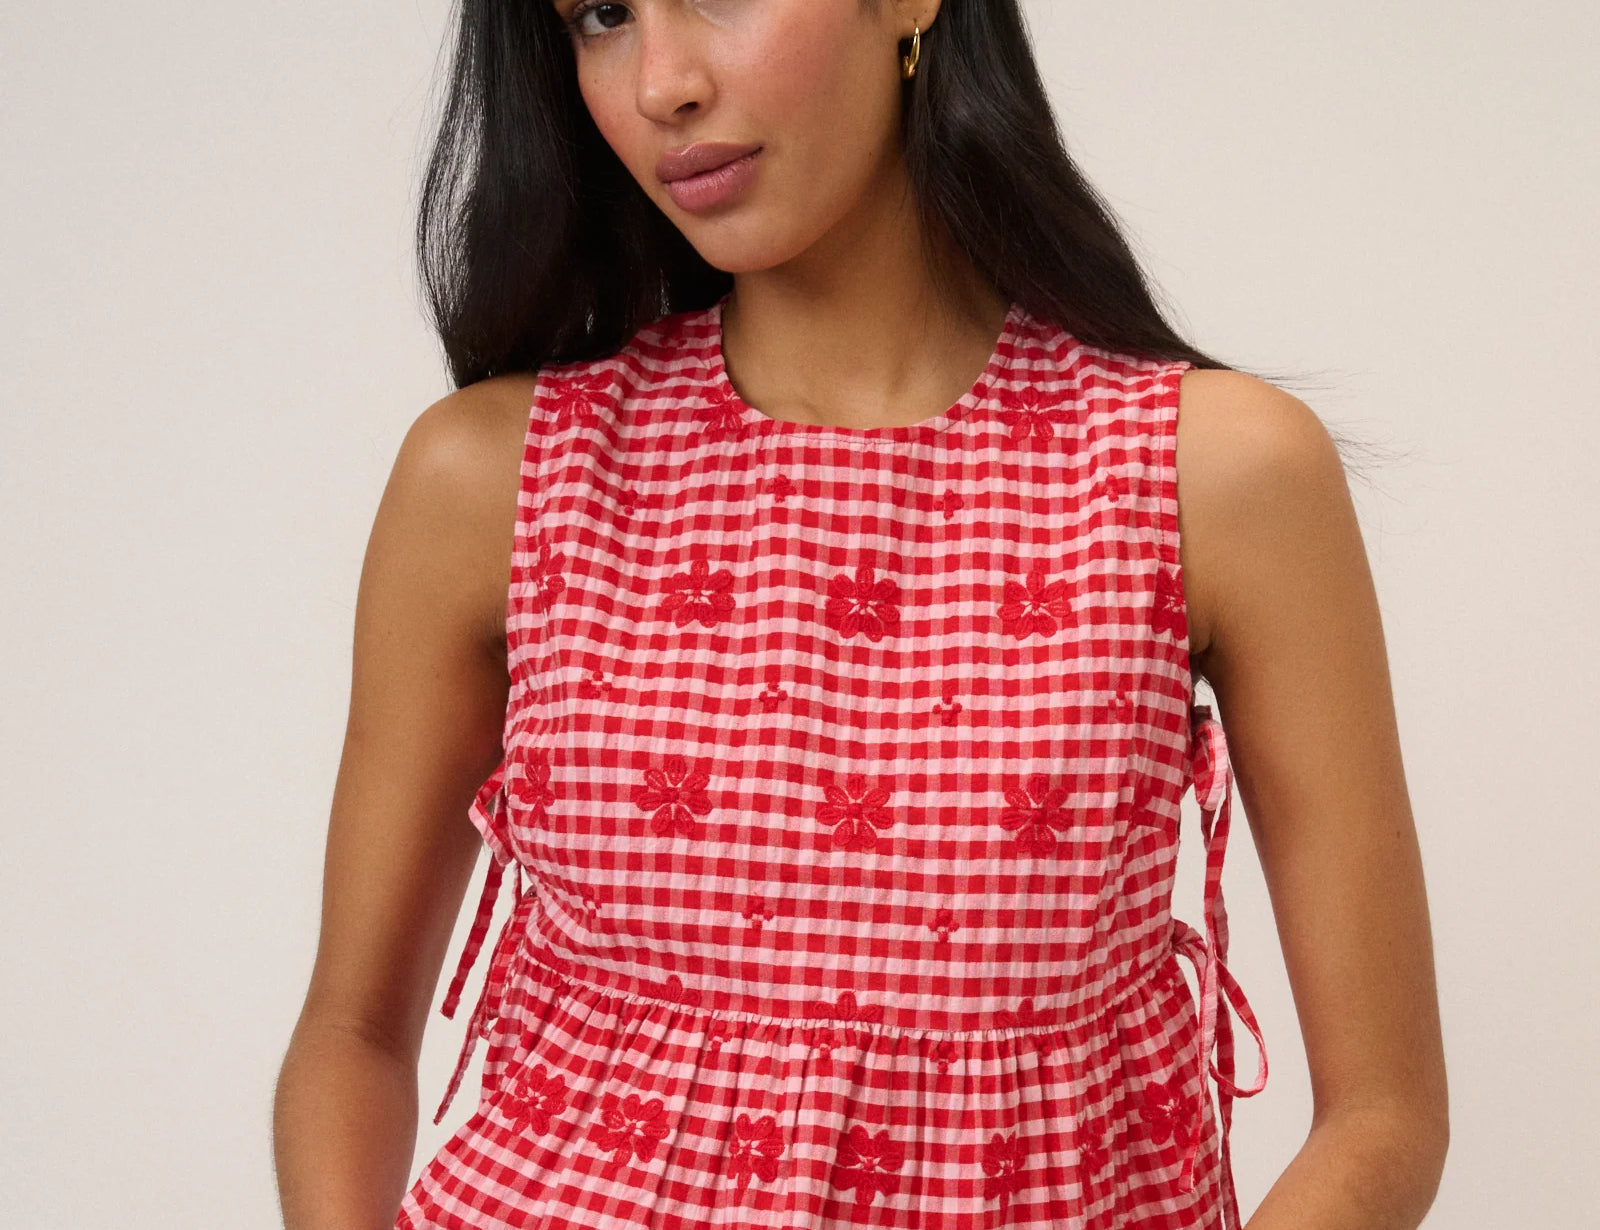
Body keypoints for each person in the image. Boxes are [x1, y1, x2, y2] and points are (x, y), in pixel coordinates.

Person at [272, 3, 1448, 1228]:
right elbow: (351, 1034)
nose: (661, 81)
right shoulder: (498, 476)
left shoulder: (1204, 474)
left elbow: (1382, 1111)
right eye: (598, 16)